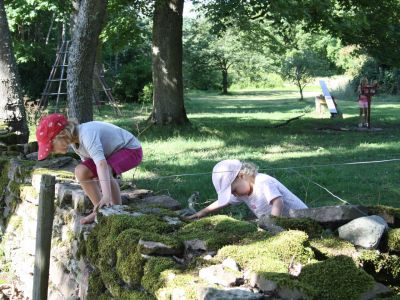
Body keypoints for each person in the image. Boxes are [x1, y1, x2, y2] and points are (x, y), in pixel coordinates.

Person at [36, 114, 143, 224]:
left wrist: (106, 195)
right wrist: (96, 186)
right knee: (81, 171)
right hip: (112, 153)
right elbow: (90, 170)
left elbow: (101, 165)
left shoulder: (87, 135)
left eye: (52, 147)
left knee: (107, 169)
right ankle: (100, 210)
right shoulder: (75, 143)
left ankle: (117, 211)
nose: (52, 151)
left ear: (62, 135)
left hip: (131, 150)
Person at [186, 159, 307, 220]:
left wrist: (273, 224)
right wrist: (203, 212)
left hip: (303, 219)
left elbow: (278, 202)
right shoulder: (242, 192)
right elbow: (223, 202)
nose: (234, 194)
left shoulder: (263, 181)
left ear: (242, 176)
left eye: (233, 191)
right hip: (283, 226)